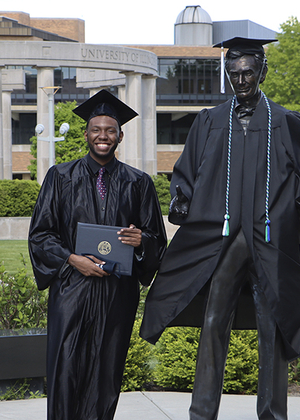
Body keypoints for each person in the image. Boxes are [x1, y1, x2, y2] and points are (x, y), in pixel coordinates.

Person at [140, 37, 300, 420]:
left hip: (270, 240)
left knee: (272, 329)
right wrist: (181, 197)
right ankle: (202, 413)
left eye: (248, 72)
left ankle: (273, 414)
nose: (241, 81)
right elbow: (187, 170)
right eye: (234, 74)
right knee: (213, 322)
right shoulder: (210, 120)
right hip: (225, 238)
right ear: (226, 75)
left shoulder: (287, 122)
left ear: (262, 70)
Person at [28, 89, 167, 420]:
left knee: (107, 370)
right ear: (86, 133)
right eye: (96, 129)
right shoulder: (60, 177)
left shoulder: (139, 183)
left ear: (120, 135)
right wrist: (72, 259)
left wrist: (140, 241)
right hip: (71, 289)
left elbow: (156, 240)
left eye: (110, 130)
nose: (103, 136)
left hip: (116, 293)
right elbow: (40, 234)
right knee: (65, 365)